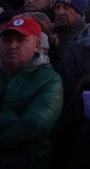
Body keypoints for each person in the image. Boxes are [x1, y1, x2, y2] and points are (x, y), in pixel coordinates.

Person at [0, 16, 63, 169]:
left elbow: (34, 125)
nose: (13, 46)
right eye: (7, 40)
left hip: (28, 161)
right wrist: (11, 117)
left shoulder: (50, 80)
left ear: (36, 45)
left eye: (21, 40)